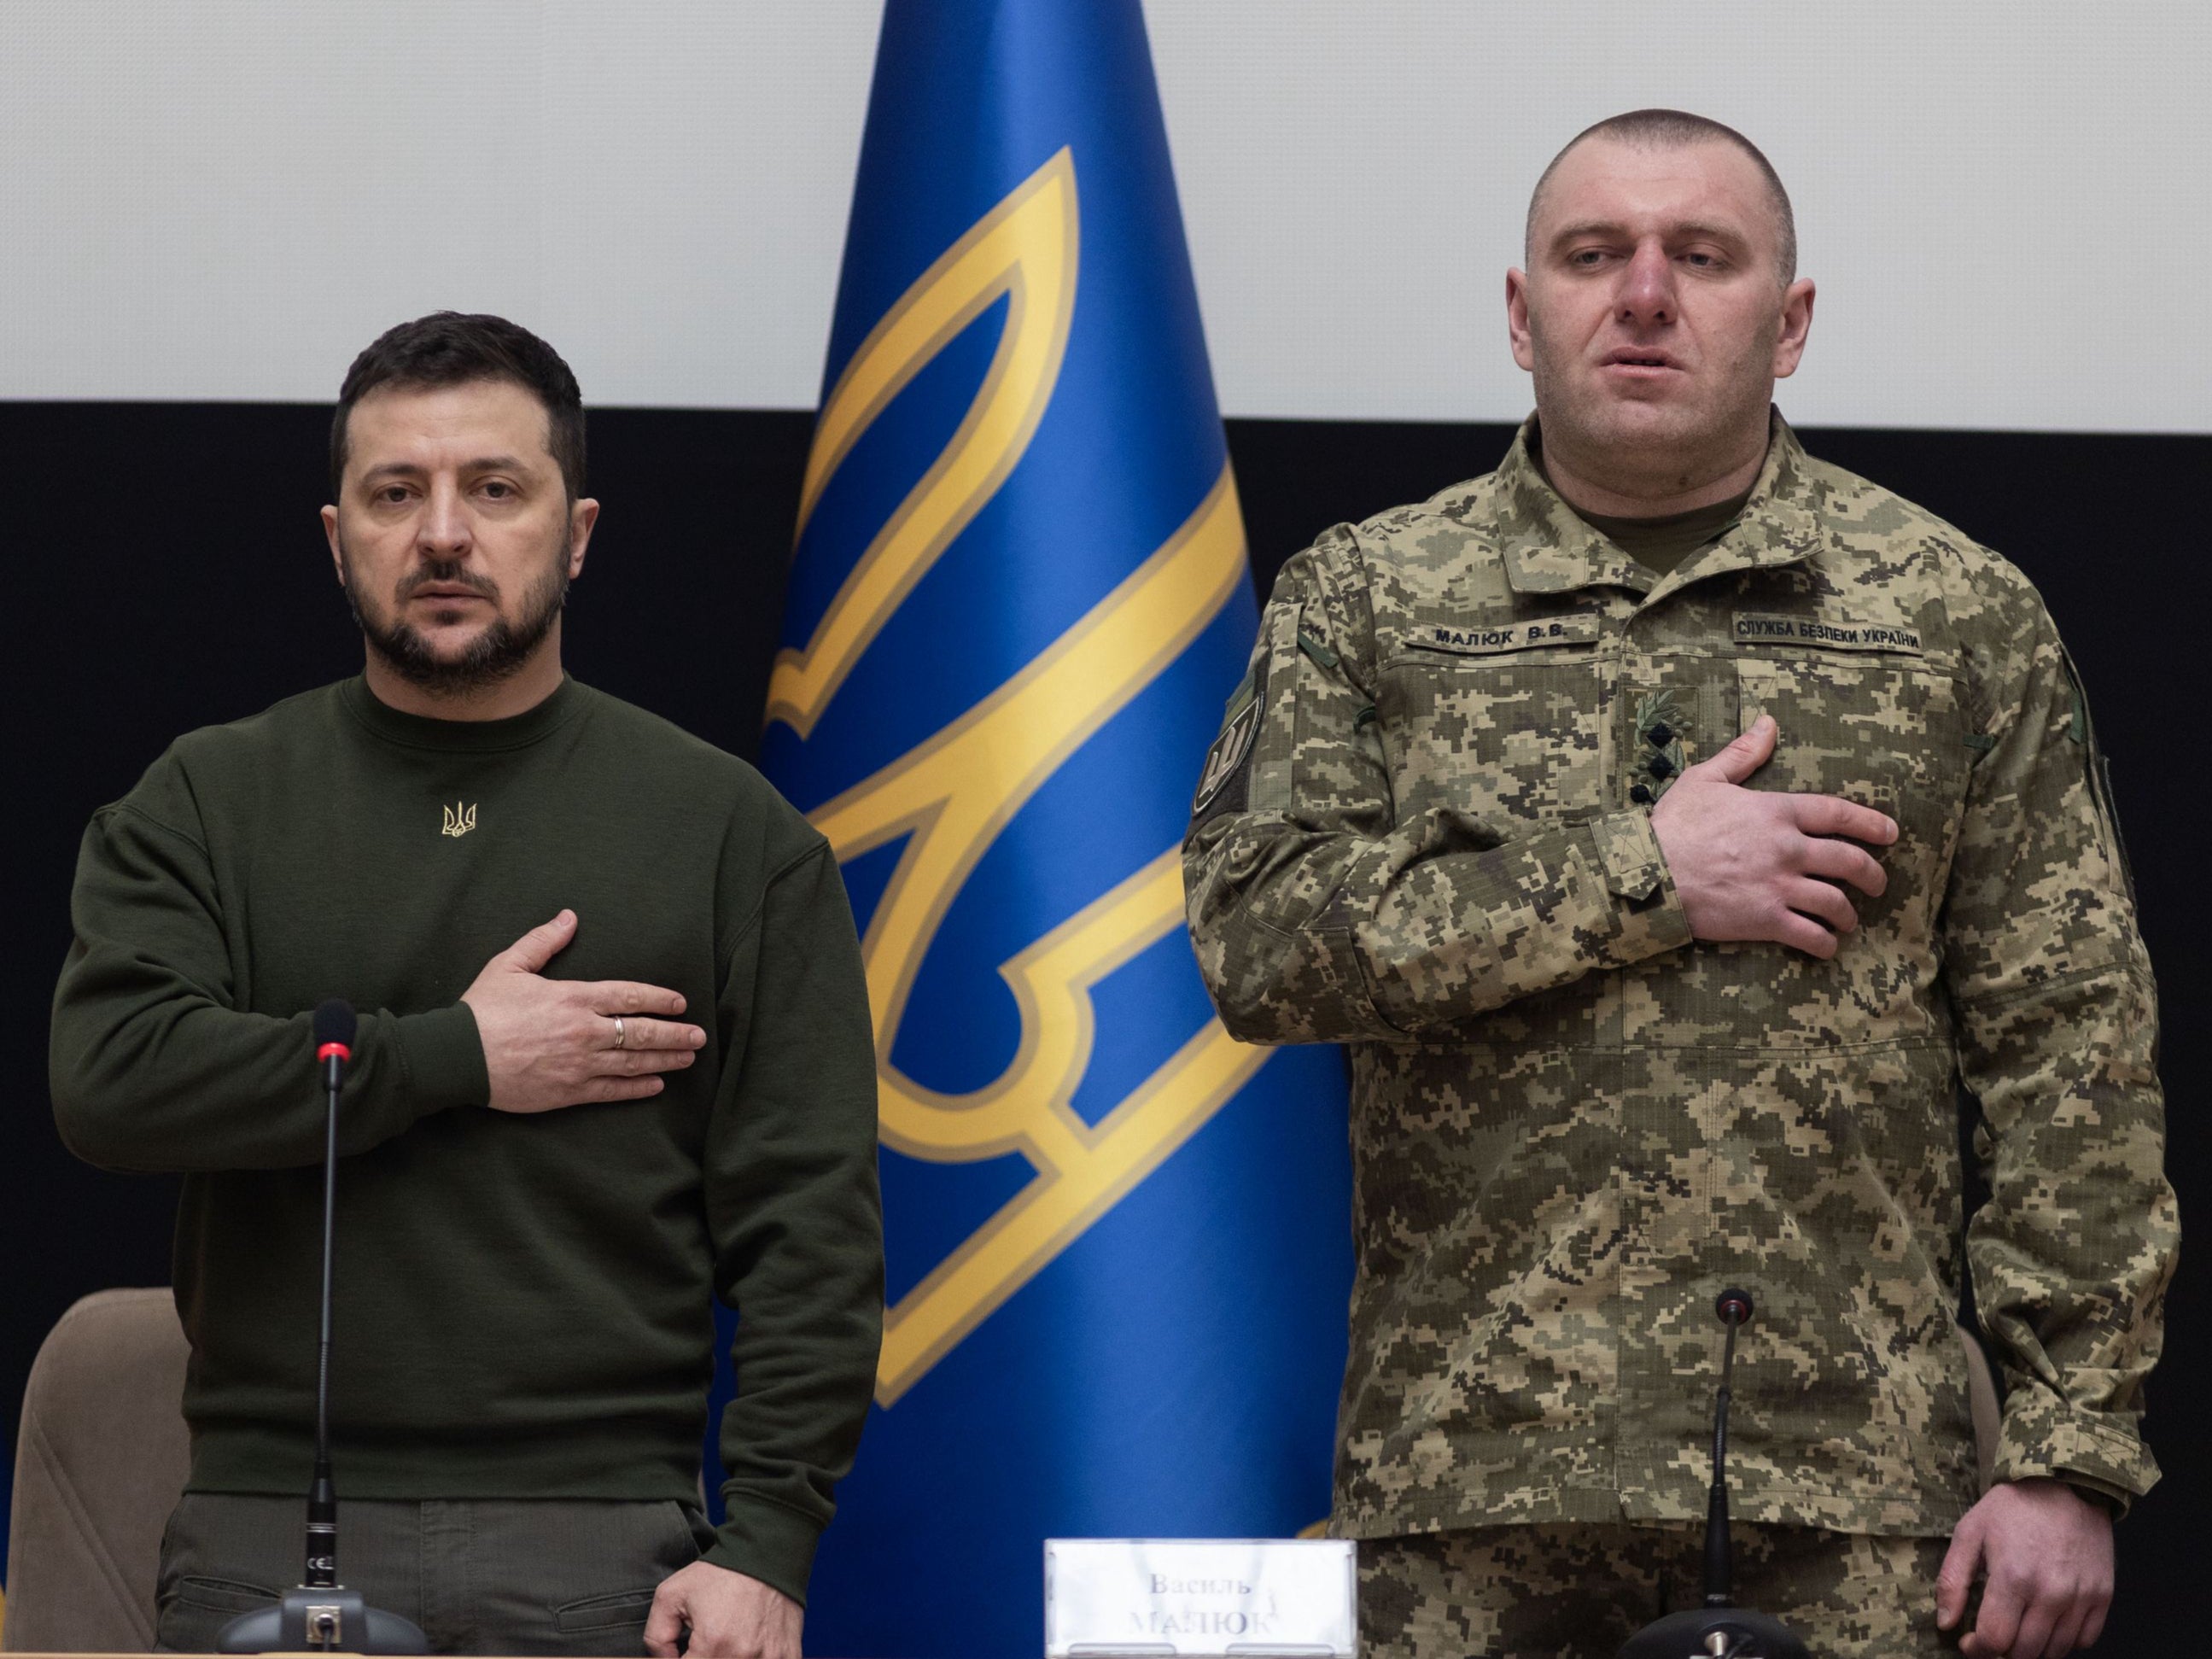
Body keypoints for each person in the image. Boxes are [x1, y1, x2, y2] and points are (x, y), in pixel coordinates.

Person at [1182, 111, 2174, 1659]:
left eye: (1700, 259)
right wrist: (1641, 872)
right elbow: (1256, 946)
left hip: (1855, 1486)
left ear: (1788, 326)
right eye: (1594, 256)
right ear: (1523, 315)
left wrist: (2067, 1450)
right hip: (1470, 1478)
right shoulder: (1369, 597)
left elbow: (2072, 1049)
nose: (1643, 295)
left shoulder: (1954, 614)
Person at [50, 313, 884, 1659]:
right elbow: (111, 1082)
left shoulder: (730, 835)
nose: (445, 534)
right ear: (339, 540)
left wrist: (770, 1540)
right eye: (398, 494)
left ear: (579, 531)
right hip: (270, 1529)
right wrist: (455, 1057)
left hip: (605, 1543)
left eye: (496, 489)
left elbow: (812, 1234)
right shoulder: (206, 802)